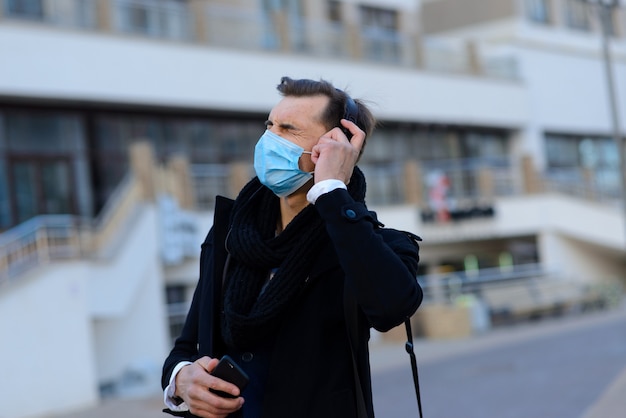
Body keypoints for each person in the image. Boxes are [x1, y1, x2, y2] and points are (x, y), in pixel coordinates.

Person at [162, 76, 423, 418]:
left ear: (335, 145)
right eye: (269, 125)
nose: (270, 139)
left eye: (288, 129)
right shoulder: (230, 233)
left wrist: (331, 188)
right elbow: (187, 345)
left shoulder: (372, 243)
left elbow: (392, 308)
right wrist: (181, 380)